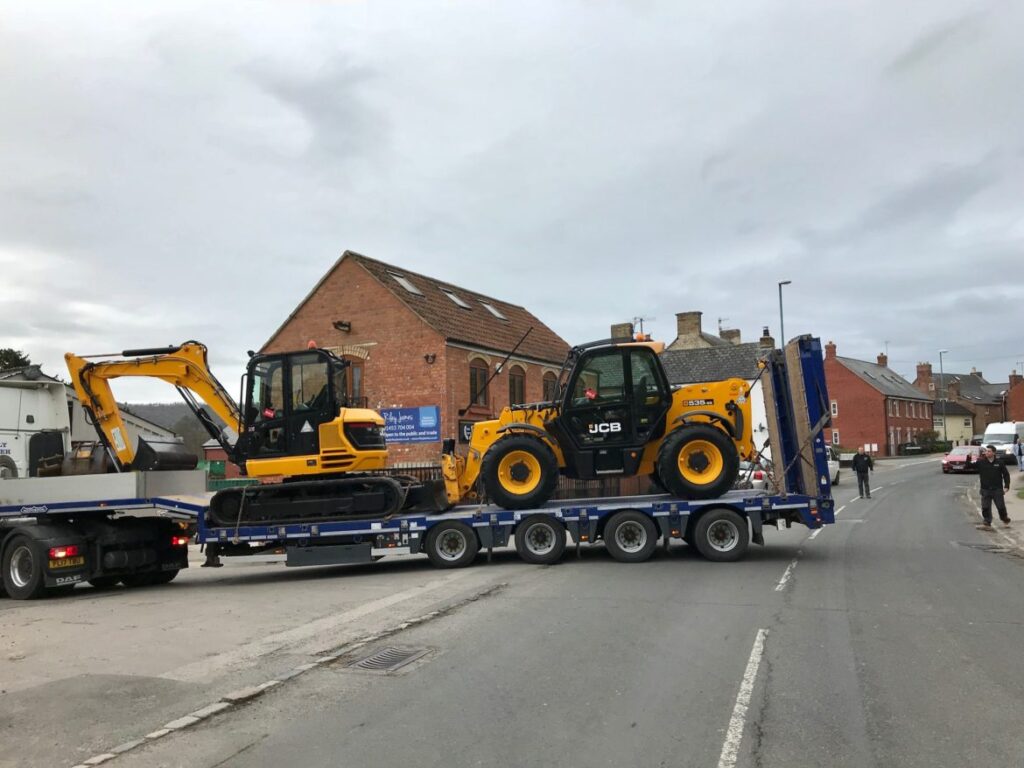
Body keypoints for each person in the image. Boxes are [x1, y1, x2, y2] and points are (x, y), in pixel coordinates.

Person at [976, 444, 1011, 530]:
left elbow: (1006, 475)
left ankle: (1005, 519)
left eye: (989, 451)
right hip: (985, 489)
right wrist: (968, 458)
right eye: (986, 451)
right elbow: (970, 466)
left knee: (1000, 507)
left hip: (997, 489)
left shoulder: (999, 463)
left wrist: (1006, 486)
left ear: (994, 453)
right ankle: (987, 523)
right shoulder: (981, 462)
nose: (987, 453)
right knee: (985, 507)